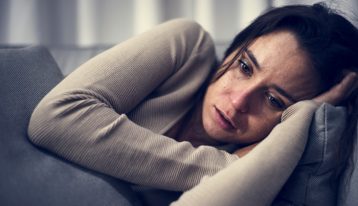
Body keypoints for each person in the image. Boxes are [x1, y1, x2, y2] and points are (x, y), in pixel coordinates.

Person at [28, 3, 358, 205]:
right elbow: (55, 118)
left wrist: (305, 115)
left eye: (273, 100)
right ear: (232, 50)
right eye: (244, 67)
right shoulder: (187, 48)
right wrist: (224, 168)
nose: (239, 100)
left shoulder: (263, 164)